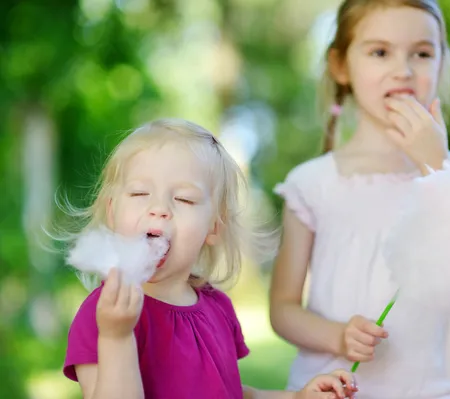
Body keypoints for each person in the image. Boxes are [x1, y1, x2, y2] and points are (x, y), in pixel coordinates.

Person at [269, 1, 450, 398]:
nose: (403, 70)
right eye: (380, 52)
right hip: (331, 390)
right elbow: (283, 308)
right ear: (340, 66)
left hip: (440, 389)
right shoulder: (313, 183)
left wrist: (436, 168)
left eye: (422, 53)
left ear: (442, 62)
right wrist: (337, 336)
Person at [61, 119, 358, 399]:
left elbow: (233, 392)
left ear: (213, 226)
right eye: (140, 193)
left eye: (184, 199)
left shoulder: (217, 308)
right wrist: (116, 337)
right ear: (112, 213)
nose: (159, 208)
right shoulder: (102, 317)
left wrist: (297, 397)